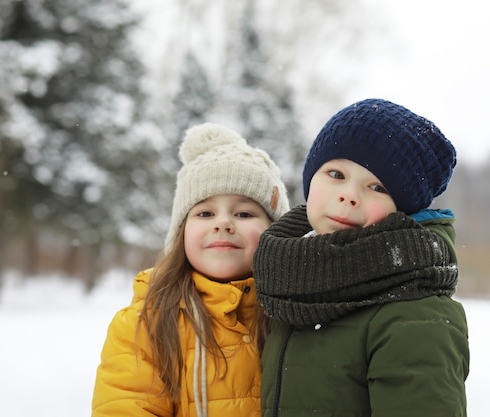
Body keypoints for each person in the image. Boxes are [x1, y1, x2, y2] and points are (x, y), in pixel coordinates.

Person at [253, 98, 470, 416]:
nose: (349, 195)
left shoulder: (415, 313)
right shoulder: (287, 281)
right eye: (336, 174)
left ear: (404, 210)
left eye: (377, 187)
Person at [92, 123, 290, 417]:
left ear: (275, 233)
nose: (222, 224)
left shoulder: (297, 316)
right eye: (205, 213)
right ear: (181, 233)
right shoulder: (143, 324)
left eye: (244, 213)